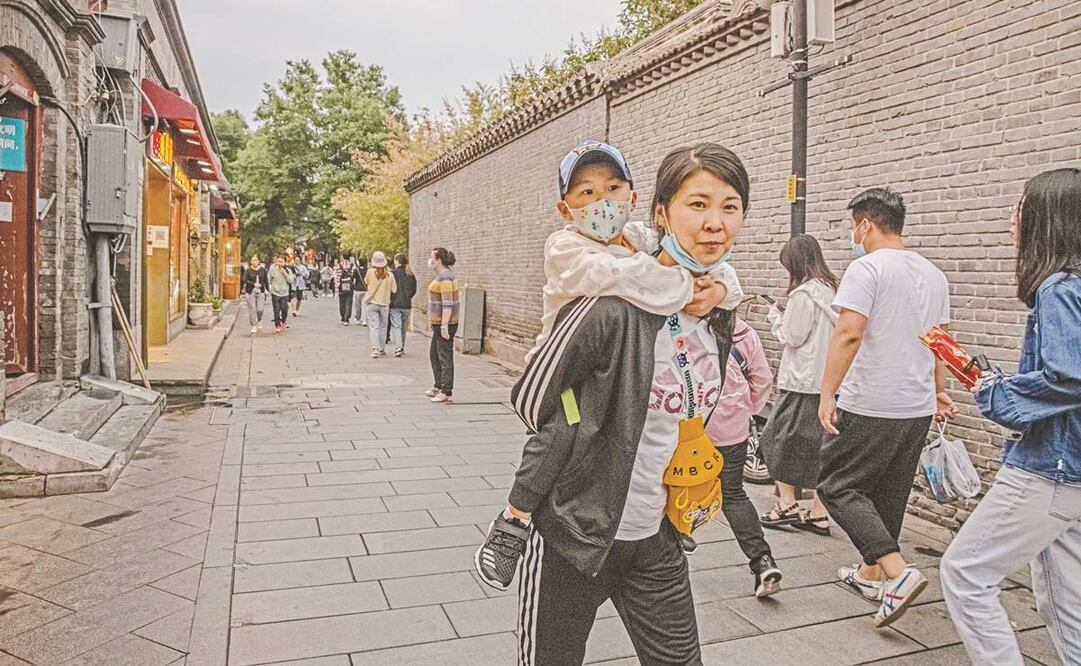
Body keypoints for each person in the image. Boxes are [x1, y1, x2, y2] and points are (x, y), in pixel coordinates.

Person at [474, 143, 749, 665]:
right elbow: (535, 401)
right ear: (663, 212)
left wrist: (714, 292)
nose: (715, 223)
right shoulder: (605, 301)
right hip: (575, 535)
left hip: (657, 536)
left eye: (730, 206)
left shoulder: (714, 307)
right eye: (698, 204)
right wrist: (579, 420)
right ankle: (512, 520)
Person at [940, 168, 1081, 666]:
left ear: (1046, 218)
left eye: (1020, 206)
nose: (1011, 216)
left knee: (965, 573)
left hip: (1049, 468)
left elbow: (1070, 376)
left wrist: (998, 392)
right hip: (1069, 469)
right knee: (1064, 602)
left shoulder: (1059, 287)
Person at [816, 187, 955, 628]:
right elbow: (940, 341)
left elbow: (849, 333)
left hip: (872, 400)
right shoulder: (933, 274)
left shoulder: (866, 268)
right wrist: (939, 390)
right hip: (915, 404)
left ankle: (898, 572)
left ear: (865, 224)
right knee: (890, 492)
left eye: (852, 227)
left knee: (837, 486)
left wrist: (827, 393)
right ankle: (872, 574)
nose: (852, 236)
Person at [528, 140, 742, 365]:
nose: (603, 201)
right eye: (588, 192)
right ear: (565, 210)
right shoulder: (564, 248)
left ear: (633, 199)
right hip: (562, 372)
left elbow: (697, 260)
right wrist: (690, 288)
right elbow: (620, 275)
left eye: (613, 188)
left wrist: (720, 290)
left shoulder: (640, 238)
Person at [759, 234, 839, 535]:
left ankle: (787, 504)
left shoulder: (803, 295)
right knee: (820, 449)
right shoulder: (832, 290)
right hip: (828, 384)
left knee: (774, 440)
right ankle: (819, 514)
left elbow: (792, 337)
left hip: (801, 382)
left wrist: (775, 318)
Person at [705, 317, 782, 598]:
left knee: (669, 488)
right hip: (730, 428)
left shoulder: (677, 324)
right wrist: (745, 409)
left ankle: (674, 544)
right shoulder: (742, 330)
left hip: (687, 428)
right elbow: (762, 379)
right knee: (733, 494)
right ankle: (762, 561)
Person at [426, 248, 458, 403]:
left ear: (438, 260)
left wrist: (444, 325)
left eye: (432, 257)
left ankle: (446, 391)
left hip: (445, 323)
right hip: (438, 323)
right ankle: (438, 385)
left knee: (444, 357)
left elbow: (447, 304)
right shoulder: (441, 276)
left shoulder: (445, 277)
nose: (430, 260)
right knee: (434, 354)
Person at [364, 251, 397, 358]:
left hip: (372, 302)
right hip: (385, 303)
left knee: (374, 327)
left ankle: (375, 349)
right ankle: (382, 348)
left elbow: (366, 282)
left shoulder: (370, 272)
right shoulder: (390, 275)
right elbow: (394, 289)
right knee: (383, 327)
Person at [389, 253, 418, 357]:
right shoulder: (410, 274)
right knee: (403, 328)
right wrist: (408, 297)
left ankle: (398, 347)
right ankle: (402, 346)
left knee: (396, 326)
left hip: (395, 304)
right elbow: (414, 290)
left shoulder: (392, 274)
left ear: (397, 261)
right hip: (407, 304)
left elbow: (390, 289)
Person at [241, 255, 269, 335]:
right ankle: (253, 325)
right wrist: (254, 284)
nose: (254, 262)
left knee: (260, 309)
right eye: (252, 260)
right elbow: (245, 280)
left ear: (259, 261)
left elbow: (266, 281)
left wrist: (268, 291)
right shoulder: (248, 270)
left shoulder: (263, 270)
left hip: (261, 291)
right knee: (252, 308)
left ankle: (259, 319)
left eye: (255, 260)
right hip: (251, 291)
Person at [267, 254, 294, 333]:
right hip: (275, 292)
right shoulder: (273, 269)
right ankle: (277, 325)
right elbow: (268, 279)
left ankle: (283, 321)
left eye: (281, 262)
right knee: (276, 310)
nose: (279, 263)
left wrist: (284, 273)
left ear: (285, 263)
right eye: (278, 261)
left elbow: (291, 281)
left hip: (285, 293)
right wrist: (268, 289)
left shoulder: (288, 270)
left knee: (284, 309)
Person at [334, 257, 359, 325]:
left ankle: (343, 317)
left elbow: (336, 278)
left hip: (341, 287)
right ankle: (346, 318)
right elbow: (355, 277)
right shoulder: (353, 266)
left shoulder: (338, 266)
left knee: (342, 303)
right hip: (350, 287)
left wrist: (336, 289)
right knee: (349, 303)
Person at [353, 254, 369, 325]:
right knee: (365, 305)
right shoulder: (368, 270)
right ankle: (364, 320)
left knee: (357, 305)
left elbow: (353, 278)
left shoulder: (357, 270)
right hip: (365, 289)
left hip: (357, 289)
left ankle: (358, 318)